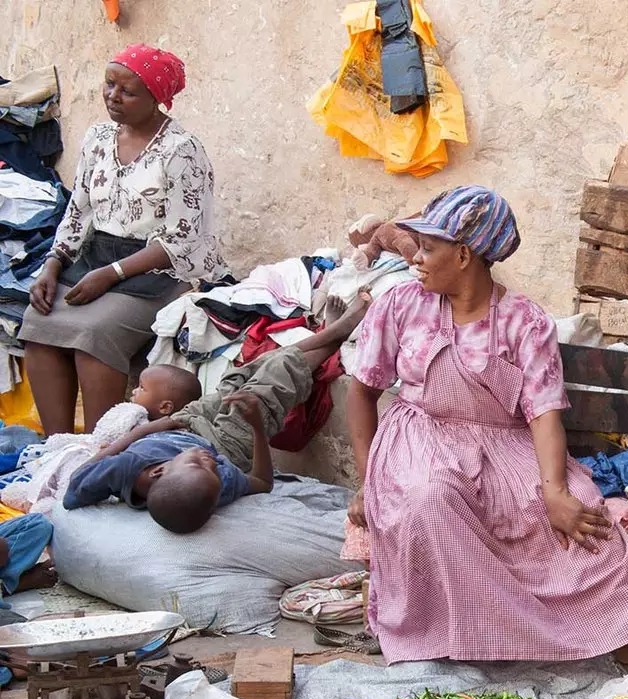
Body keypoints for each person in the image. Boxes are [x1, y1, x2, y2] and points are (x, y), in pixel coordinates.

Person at [344, 185, 628, 669]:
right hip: (419, 436)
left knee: (588, 519)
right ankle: (452, 638)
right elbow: (362, 391)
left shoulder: (523, 321)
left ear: (465, 254)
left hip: (501, 444)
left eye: (429, 249)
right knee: (432, 498)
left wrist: (554, 491)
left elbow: (543, 413)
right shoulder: (401, 305)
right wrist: (367, 482)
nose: (418, 260)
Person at [19, 44, 227, 436]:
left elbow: (182, 239)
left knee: (96, 332)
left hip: (160, 271)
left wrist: (112, 274)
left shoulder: (181, 151)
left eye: (128, 91)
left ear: (156, 99)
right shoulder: (98, 138)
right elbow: (78, 211)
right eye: (109, 84)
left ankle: (101, 446)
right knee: (37, 321)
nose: (113, 97)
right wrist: (52, 265)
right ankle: (58, 446)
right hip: (97, 256)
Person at [67, 293, 373, 534]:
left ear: (159, 471)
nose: (210, 462)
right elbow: (263, 483)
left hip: (182, 423)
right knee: (270, 381)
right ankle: (335, 336)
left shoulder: (127, 467)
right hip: (229, 441)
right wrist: (256, 428)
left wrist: (153, 427)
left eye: (200, 463)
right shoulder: (214, 479)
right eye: (214, 469)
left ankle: (329, 334)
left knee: (236, 376)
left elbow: (74, 489)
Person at [0, 364, 202, 515]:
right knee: (25, 445)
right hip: (80, 456)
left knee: (40, 479)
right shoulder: (142, 421)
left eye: (141, 388)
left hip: (84, 470)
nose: (134, 391)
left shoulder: (152, 432)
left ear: (165, 407)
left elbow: (103, 445)